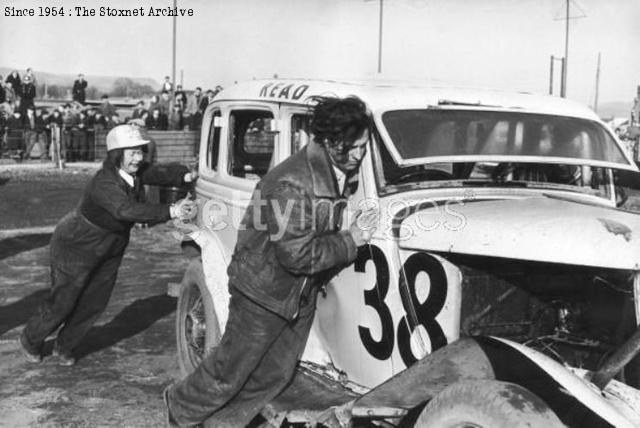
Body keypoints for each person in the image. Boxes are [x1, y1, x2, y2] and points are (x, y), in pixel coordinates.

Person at [164, 96, 377, 427]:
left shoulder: (333, 172)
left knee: (273, 376)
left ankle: (222, 423)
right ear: (329, 140)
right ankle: (179, 410)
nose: (359, 154)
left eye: (363, 146)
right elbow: (297, 254)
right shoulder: (294, 183)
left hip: (293, 295)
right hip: (263, 294)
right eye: (352, 146)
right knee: (230, 371)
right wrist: (351, 240)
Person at [20, 124, 198, 366]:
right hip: (77, 242)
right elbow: (125, 210)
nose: (139, 158)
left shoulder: (135, 171)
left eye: (141, 152)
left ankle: (65, 347)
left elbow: (160, 173)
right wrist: (171, 210)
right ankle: (31, 339)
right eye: (133, 153)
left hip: (112, 244)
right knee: (64, 299)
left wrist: (183, 175)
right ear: (117, 154)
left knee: (95, 301)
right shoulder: (105, 182)